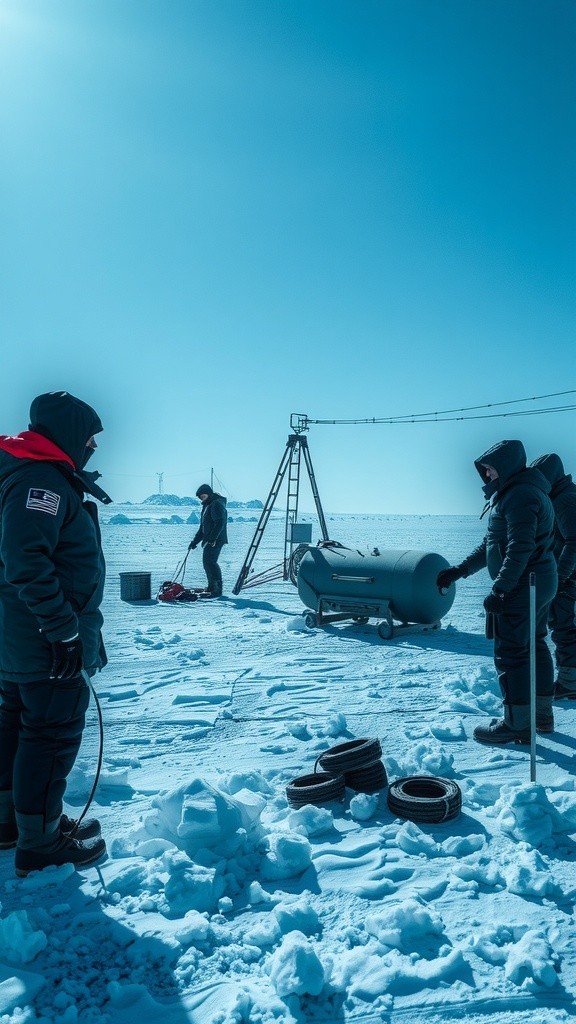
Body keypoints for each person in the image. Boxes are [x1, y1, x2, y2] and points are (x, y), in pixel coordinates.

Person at [0, 391, 110, 876]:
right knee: (51, 735)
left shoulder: (29, 474)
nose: (93, 447)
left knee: (18, 729)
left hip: (20, 638)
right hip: (43, 643)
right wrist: (64, 631)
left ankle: (14, 825)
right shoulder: (40, 482)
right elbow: (26, 561)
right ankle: (41, 842)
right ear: (68, 434)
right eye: (89, 437)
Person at [436, 439, 557, 745]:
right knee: (535, 643)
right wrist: (459, 571)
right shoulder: (516, 493)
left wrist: (500, 589)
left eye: (489, 469)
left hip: (524, 583)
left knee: (511, 651)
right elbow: (493, 544)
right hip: (536, 581)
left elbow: (520, 547)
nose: (486, 476)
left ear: (504, 467)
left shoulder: (519, 495)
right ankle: (540, 715)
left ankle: (517, 724)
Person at [530, 454, 576, 699]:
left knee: (563, 625)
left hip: (568, 575)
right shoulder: (562, 495)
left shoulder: (565, 499)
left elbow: (574, 541)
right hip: (566, 573)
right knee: (563, 623)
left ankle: (569, 682)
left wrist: (561, 576)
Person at [188, 484, 228, 597]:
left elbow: (220, 522)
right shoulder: (207, 505)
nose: (202, 498)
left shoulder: (216, 504)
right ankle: (212, 587)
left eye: (203, 495)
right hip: (210, 539)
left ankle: (216, 589)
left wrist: (212, 539)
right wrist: (194, 542)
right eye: (200, 497)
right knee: (207, 563)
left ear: (209, 493)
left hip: (216, 539)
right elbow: (203, 528)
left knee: (210, 563)